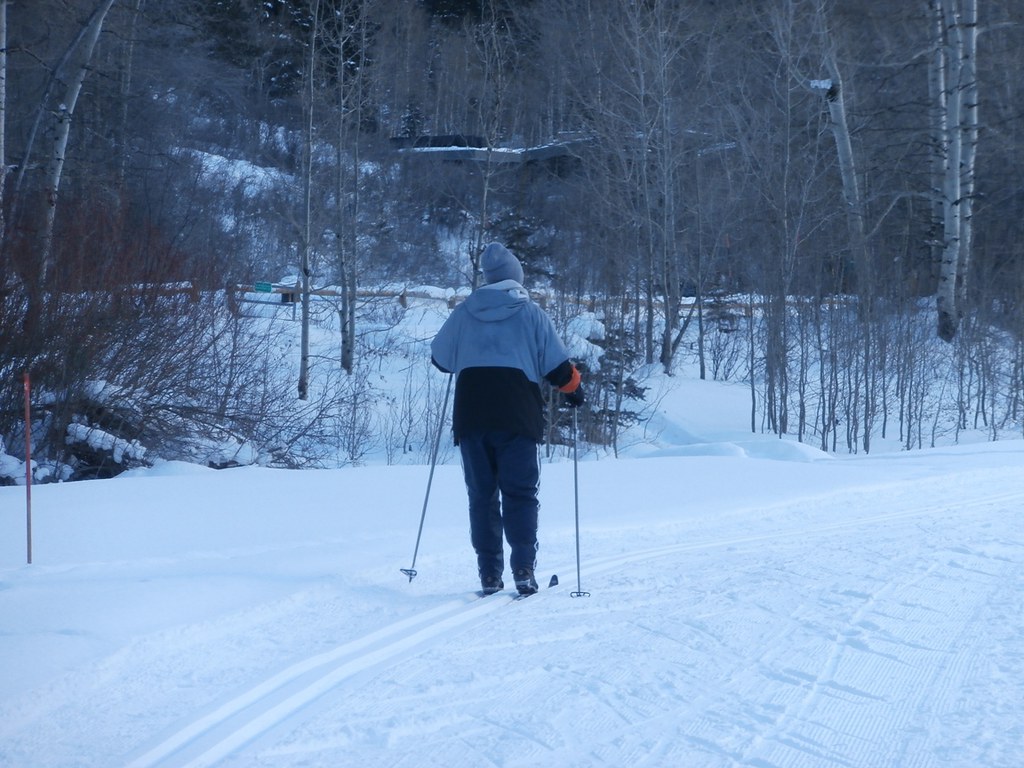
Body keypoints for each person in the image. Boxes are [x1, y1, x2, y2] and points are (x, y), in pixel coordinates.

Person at [431, 242, 585, 596]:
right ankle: (523, 570)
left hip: (472, 415)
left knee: (482, 495)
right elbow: (559, 370)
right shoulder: (530, 313)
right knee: (520, 493)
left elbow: (441, 359)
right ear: (516, 278)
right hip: (517, 414)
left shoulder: (464, 311)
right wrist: (574, 389)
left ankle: (488, 574)